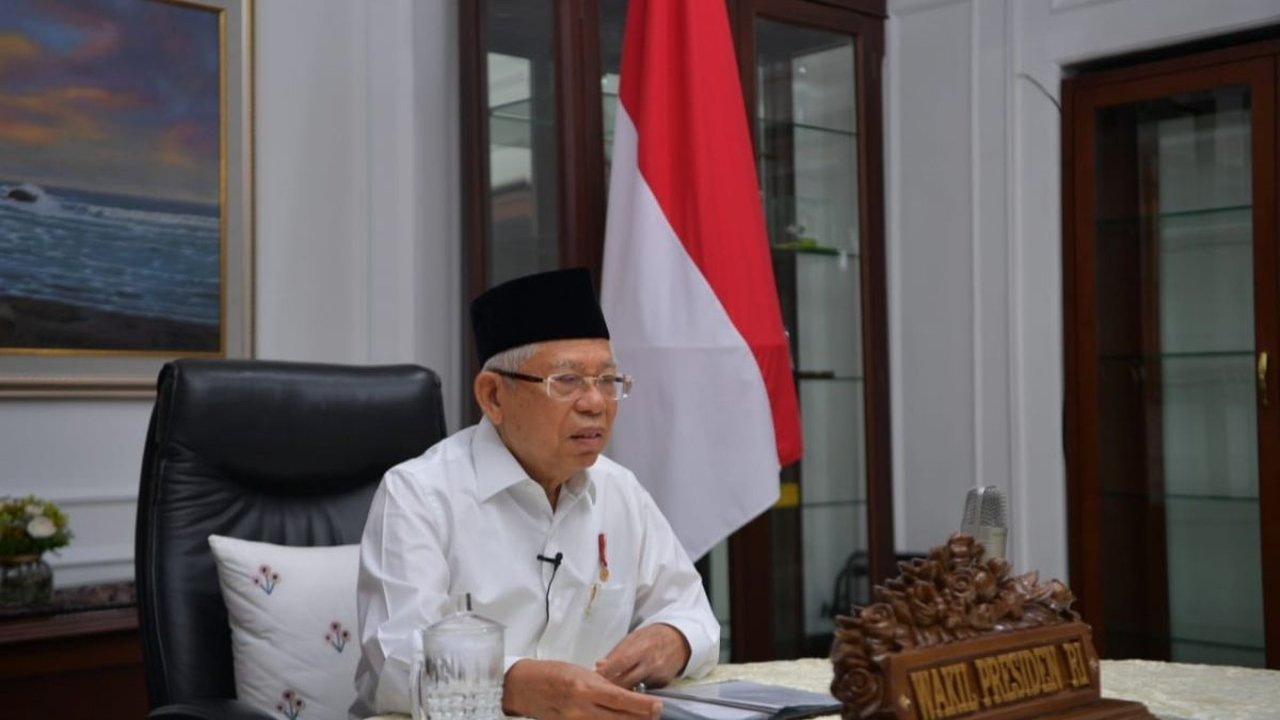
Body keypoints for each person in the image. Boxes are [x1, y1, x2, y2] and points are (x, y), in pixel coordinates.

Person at [352, 268, 720, 719]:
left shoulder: (620, 490)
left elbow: (693, 612)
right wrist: (515, 684)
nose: (595, 403)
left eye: (607, 381)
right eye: (566, 381)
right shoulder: (418, 495)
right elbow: (395, 659)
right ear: (493, 397)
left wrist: (673, 640)